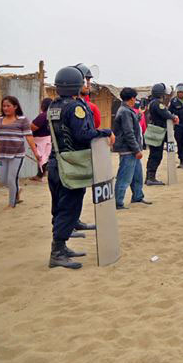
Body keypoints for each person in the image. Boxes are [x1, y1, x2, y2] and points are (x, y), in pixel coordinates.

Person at [44, 66, 113, 269]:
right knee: (69, 207)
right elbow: (83, 134)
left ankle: (61, 247)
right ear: (77, 84)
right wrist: (106, 132)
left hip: (55, 162)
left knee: (59, 206)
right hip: (72, 164)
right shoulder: (75, 107)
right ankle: (57, 252)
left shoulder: (53, 106)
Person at [0, 96, 41, 208]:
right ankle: (17, 189)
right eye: (4, 106)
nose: (5, 108)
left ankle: (11, 204)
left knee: (11, 179)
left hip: (17, 155)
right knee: (2, 180)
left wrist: (36, 153)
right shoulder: (0, 120)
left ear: (15, 107)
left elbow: (29, 137)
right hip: (3, 155)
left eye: (8, 106)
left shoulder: (22, 120)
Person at [113, 87, 150, 209]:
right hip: (128, 150)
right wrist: (136, 150)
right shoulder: (125, 112)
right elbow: (129, 133)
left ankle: (137, 196)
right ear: (132, 98)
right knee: (125, 177)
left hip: (131, 149)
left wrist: (138, 116)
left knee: (137, 175)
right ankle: (118, 202)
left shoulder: (127, 110)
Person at [144, 83, 179, 186]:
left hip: (157, 132)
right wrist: (174, 117)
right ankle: (150, 178)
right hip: (157, 132)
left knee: (154, 155)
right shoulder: (157, 104)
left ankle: (150, 177)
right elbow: (165, 114)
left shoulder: (153, 103)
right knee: (156, 155)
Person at [30, 97, 53, 181]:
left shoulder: (43, 115)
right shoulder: (51, 114)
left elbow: (33, 127)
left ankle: (41, 175)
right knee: (44, 157)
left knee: (41, 157)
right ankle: (40, 175)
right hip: (48, 138)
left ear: (44, 105)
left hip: (41, 139)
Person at [74, 63, 102, 129]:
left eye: (88, 79)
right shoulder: (92, 107)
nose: (88, 83)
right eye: (85, 79)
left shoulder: (63, 103)